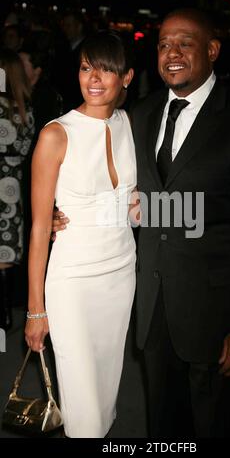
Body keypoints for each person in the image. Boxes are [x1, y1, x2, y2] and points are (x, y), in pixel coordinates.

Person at [53, 9, 230, 437]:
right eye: (163, 45)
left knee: (219, 426)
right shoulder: (139, 114)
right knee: (164, 429)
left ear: (212, 50)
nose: (171, 53)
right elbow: (136, 199)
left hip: (219, 320)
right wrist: (66, 214)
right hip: (154, 313)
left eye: (184, 43)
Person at [25, 30, 136, 438]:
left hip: (121, 275)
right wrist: (36, 309)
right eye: (87, 67)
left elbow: (133, 203)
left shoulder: (129, 125)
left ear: (126, 77)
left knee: (104, 400)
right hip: (72, 281)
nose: (94, 78)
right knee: (84, 412)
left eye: (106, 69)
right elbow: (39, 227)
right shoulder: (56, 135)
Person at [0, 48, 34, 330]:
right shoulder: (25, 110)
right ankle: (6, 312)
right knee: (6, 254)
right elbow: (24, 149)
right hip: (12, 188)